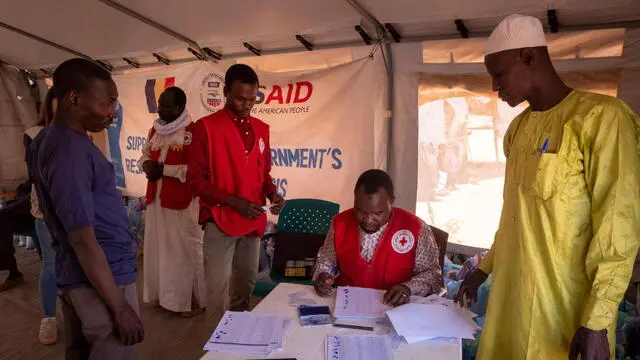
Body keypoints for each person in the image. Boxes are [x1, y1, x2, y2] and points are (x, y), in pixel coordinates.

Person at [455, 14, 640, 360]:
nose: (495, 88)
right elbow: (514, 216)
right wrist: (482, 269)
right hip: (510, 305)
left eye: (498, 75)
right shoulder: (517, 130)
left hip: (567, 317)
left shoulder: (602, 119)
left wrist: (598, 320)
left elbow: (617, 228)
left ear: (528, 57)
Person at [27, 58, 144, 359]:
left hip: (89, 273)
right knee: (114, 349)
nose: (112, 112)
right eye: (107, 103)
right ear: (74, 98)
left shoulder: (60, 141)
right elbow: (81, 236)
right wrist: (118, 307)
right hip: (100, 277)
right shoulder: (68, 150)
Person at [187, 64, 285, 324]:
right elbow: (195, 181)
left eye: (252, 99)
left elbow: (263, 175)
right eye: (240, 98)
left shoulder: (262, 129)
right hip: (219, 220)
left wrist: (273, 194)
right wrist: (236, 202)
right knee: (217, 290)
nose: (246, 104)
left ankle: (237, 342)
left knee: (245, 286)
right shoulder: (205, 128)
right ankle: (214, 347)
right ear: (226, 92)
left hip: (252, 222)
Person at [313, 169, 444, 306]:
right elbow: (326, 260)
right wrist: (322, 275)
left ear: (391, 201)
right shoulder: (340, 224)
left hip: (395, 309)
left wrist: (408, 288)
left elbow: (433, 275)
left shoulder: (416, 228)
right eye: (361, 211)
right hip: (347, 305)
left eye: (378, 212)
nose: (368, 220)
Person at [139, 86, 206, 318]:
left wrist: (164, 170)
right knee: (158, 250)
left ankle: (192, 302)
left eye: (166, 106)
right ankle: (163, 296)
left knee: (184, 252)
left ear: (180, 107)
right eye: (159, 104)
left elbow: (199, 171)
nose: (160, 109)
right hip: (156, 201)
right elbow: (145, 155)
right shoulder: (154, 130)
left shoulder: (194, 131)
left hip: (182, 204)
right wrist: (146, 164)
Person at [24, 87, 59, 344]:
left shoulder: (80, 133)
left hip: (75, 212)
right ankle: (49, 318)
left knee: (78, 264)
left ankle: (78, 313)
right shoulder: (33, 134)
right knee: (51, 265)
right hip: (46, 212)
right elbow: (35, 175)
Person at [0, 182, 32, 292]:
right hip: (28, 201)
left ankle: (12, 272)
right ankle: (11, 270)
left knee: (2, 217)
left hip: (39, 206)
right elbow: (24, 186)